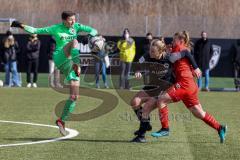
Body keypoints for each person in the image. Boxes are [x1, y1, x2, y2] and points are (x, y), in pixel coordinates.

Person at [11, 10, 98, 135]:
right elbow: (35, 31)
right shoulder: (55, 28)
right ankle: (77, 65)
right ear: (64, 20)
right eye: (70, 20)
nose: (73, 21)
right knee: (74, 42)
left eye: (74, 19)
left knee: (74, 97)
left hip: (69, 64)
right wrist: (20, 25)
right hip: (60, 56)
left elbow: (94, 30)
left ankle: (61, 121)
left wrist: (90, 36)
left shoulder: (77, 27)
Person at [138, 31, 226, 143]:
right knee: (198, 113)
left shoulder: (180, 48)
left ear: (181, 41)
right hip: (190, 85)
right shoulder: (176, 48)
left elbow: (186, 53)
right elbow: (171, 54)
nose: (172, 41)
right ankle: (219, 128)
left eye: (174, 40)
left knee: (161, 100)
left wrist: (195, 67)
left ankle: (165, 128)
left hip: (184, 84)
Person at [131, 38, 202, 142]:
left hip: (164, 88)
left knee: (146, 108)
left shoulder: (170, 57)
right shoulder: (147, 55)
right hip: (152, 85)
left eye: (153, 51)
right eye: (150, 50)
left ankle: (141, 136)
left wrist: (195, 67)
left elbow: (186, 53)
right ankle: (146, 124)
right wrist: (138, 71)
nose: (150, 52)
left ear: (160, 51)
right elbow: (138, 63)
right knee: (134, 102)